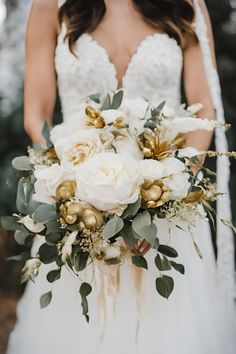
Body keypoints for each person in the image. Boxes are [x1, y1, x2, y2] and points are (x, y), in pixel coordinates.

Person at [6, 0, 236, 353]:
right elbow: (35, 113)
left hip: (167, 215)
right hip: (79, 212)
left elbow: (203, 105)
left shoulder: (185, 6)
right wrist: (71, 178)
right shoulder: (51, 5)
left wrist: (170, 187)